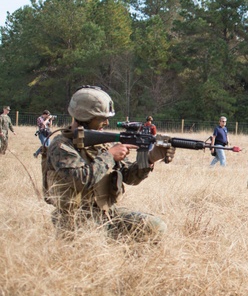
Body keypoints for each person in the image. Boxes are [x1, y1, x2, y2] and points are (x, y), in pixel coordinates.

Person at [41, 86, 168, 242]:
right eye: (102, 118)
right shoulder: (61, 146)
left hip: (107, 214)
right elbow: (80, 179)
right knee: (93, 244)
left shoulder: (101, 143)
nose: (107, 122)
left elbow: (129, 177)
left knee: (154, 227)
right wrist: (110, 156)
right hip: (75, 220)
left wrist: (149, 159)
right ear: (85, 116)